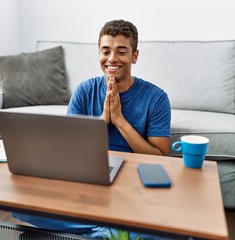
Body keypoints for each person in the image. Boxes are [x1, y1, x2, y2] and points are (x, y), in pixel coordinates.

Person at [13, 19, 171, 239]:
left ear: (134, 56)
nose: (112, 59)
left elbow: (163, 158)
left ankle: (92, 230)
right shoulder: (85, 90)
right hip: (88, 180)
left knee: (172, 230)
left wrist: (120, 121)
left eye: (121, 51)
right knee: (19, 205)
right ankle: (107, 232)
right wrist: (103, 120)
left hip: (132, 183)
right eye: (105, 51)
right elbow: (68, 150)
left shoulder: (156, 98)